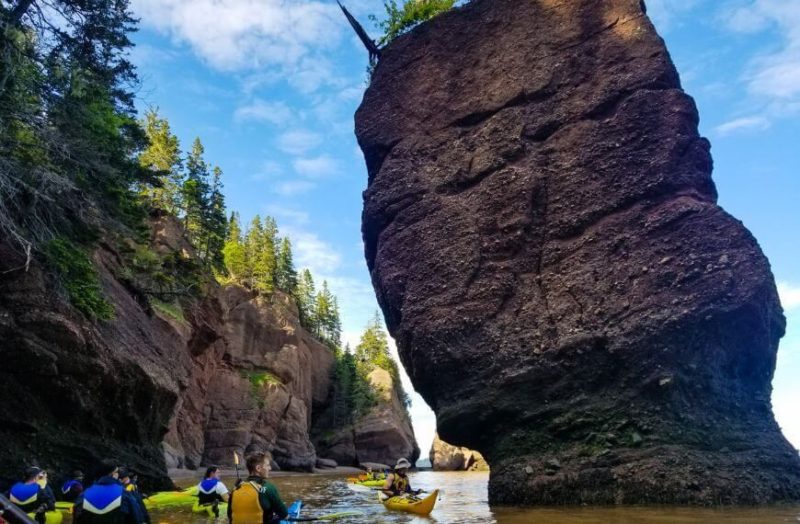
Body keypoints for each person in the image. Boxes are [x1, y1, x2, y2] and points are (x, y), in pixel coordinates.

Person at [73, 461, 145, 523]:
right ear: (114, 474)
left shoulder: (83, 495)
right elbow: (138, 519)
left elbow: (77, 518)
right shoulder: (126, 494)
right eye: (117, 472)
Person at [227, 452, 288, 524]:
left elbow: (229, 515)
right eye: (267, 465)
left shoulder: (235, 489)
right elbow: (284, 514)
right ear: (258, 468)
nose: (270, 468)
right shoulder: (268, 487)